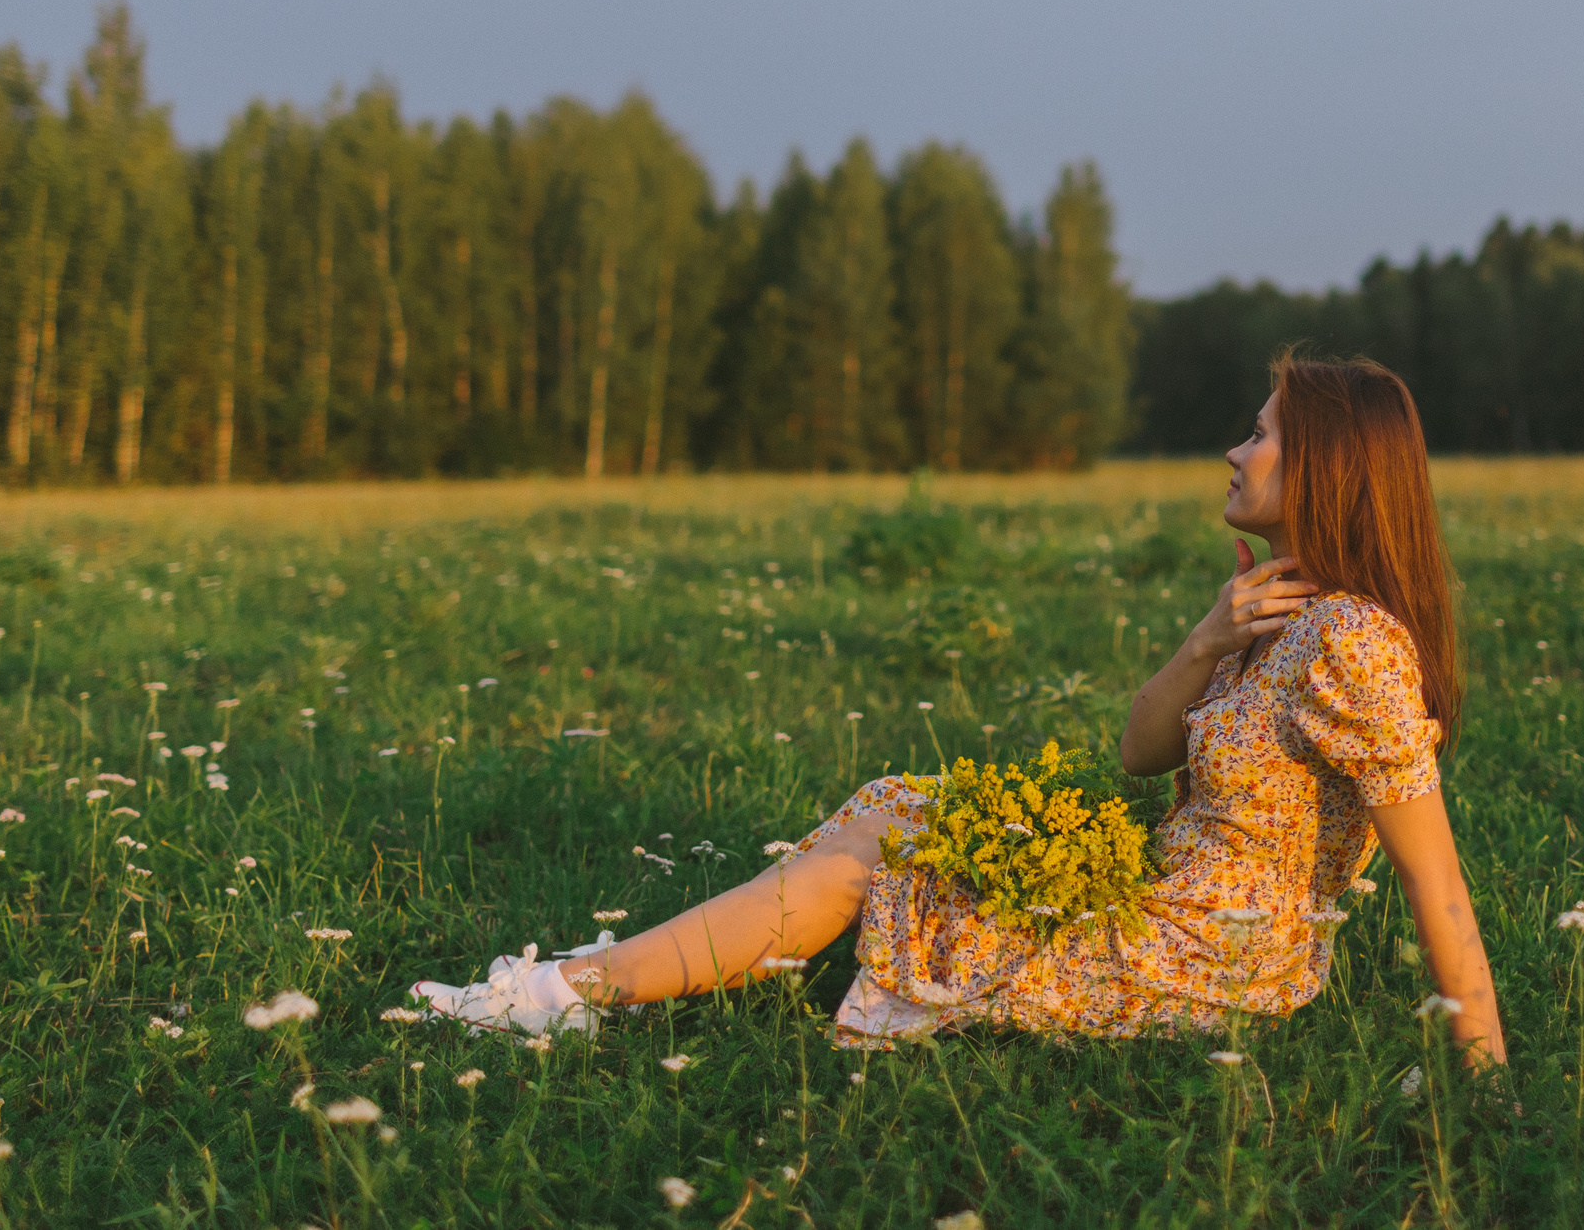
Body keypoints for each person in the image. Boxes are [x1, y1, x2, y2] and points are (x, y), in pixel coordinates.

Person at [414, 355, 1507, 1069]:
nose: (1234, 448)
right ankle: (585, 982)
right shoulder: (1273, 611)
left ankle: (564, 993)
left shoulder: (1352, 642)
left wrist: (1482, 1077)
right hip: (1158, 903)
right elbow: (1137, 756)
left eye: (1260, 433)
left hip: (1205, 959)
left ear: (1324, 466)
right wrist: (1206, 639)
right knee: (900, 807)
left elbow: (1434, 876)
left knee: (866, 863)